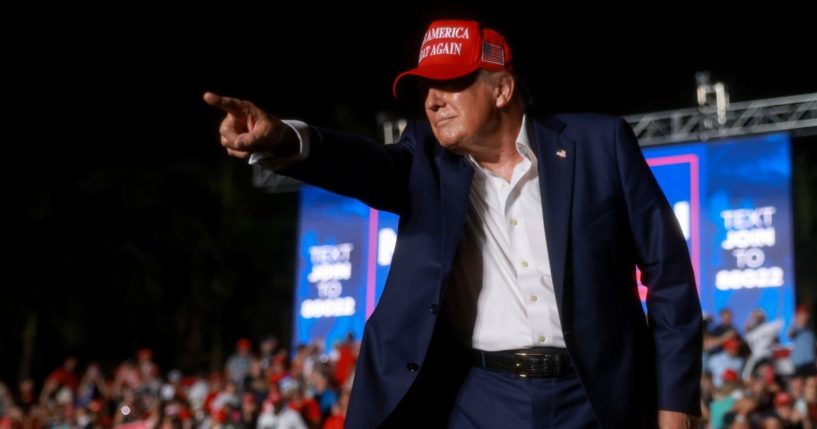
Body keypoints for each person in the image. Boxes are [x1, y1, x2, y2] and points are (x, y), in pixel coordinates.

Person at [204, 18, 702, 428]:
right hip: (478, 398)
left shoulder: (600, 144)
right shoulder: (425, 159)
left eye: (451, 83)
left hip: (596, 398)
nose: (432, 100)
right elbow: (361, 163)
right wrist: (281, 141)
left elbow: (671, 276)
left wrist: (674, 406)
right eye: (426, 87)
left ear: (503, 88)